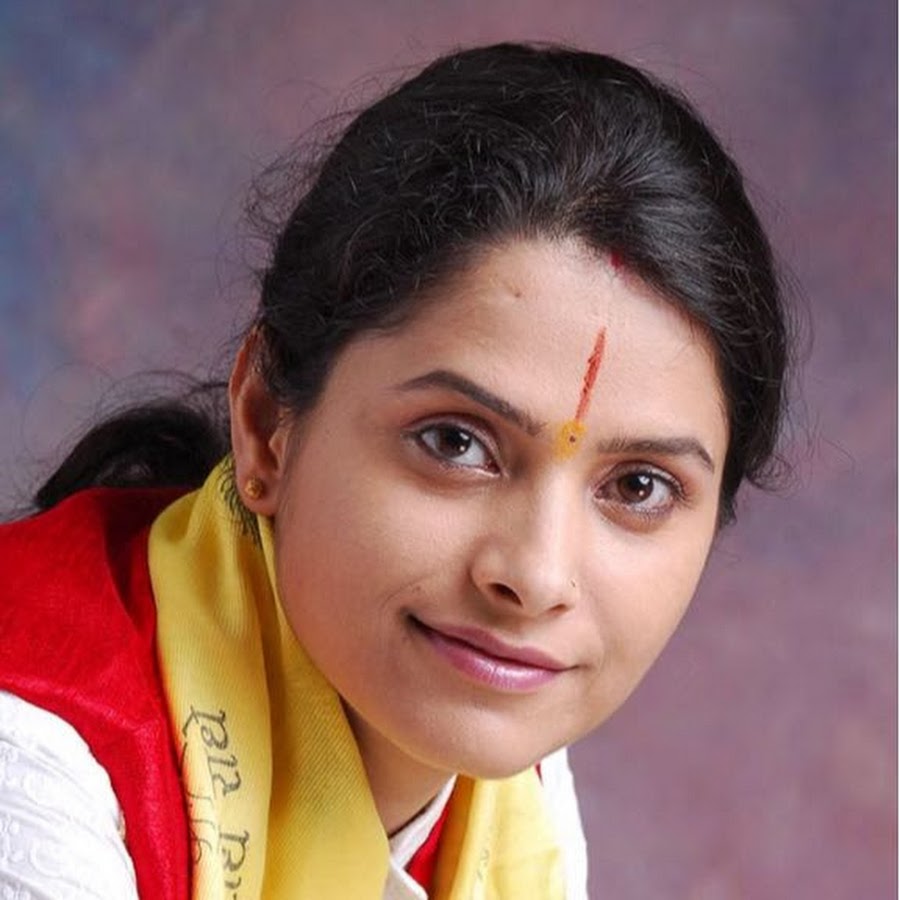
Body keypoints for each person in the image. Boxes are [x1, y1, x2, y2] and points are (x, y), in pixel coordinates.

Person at [0, 41, 789, 900]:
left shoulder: (507, 787)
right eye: (455, 442)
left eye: (638, 487)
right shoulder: (31, 765)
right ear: (266, 424)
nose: (535, 577)